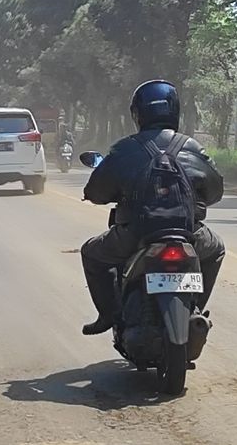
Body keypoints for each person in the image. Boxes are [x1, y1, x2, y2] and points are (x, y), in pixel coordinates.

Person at [80, 80, 226, 337]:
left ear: (138, 114)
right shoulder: (192, 147)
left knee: (92, 253)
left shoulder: (124, 149)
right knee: (216, 250)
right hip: (189, 234)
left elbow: (96, 192)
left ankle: (107, 315)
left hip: (135, 235)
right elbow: (215, 191)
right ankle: (196, 310)